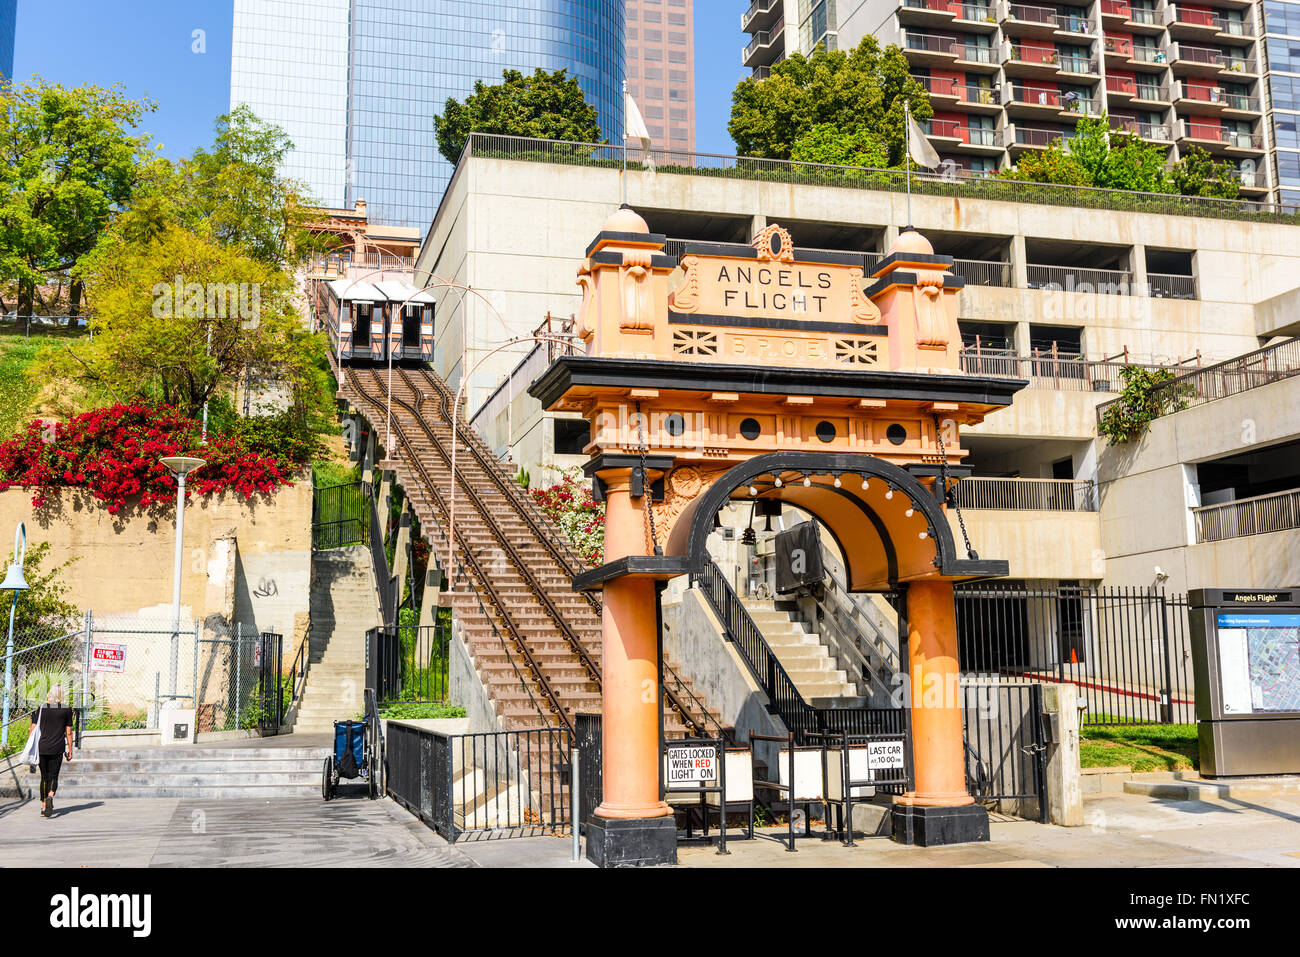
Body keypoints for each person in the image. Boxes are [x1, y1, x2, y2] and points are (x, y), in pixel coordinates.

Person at [31, 687, 73, 817]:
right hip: (57, 747)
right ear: (61, 695)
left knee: (44, 777)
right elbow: (69, 732)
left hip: (42, 747)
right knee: (53, 776)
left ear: (49, 694)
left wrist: (31, 747)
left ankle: (44, 807)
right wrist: (70, 750)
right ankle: (50, 796)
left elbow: (33, 729)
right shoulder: (66, 709)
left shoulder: (41, 708)